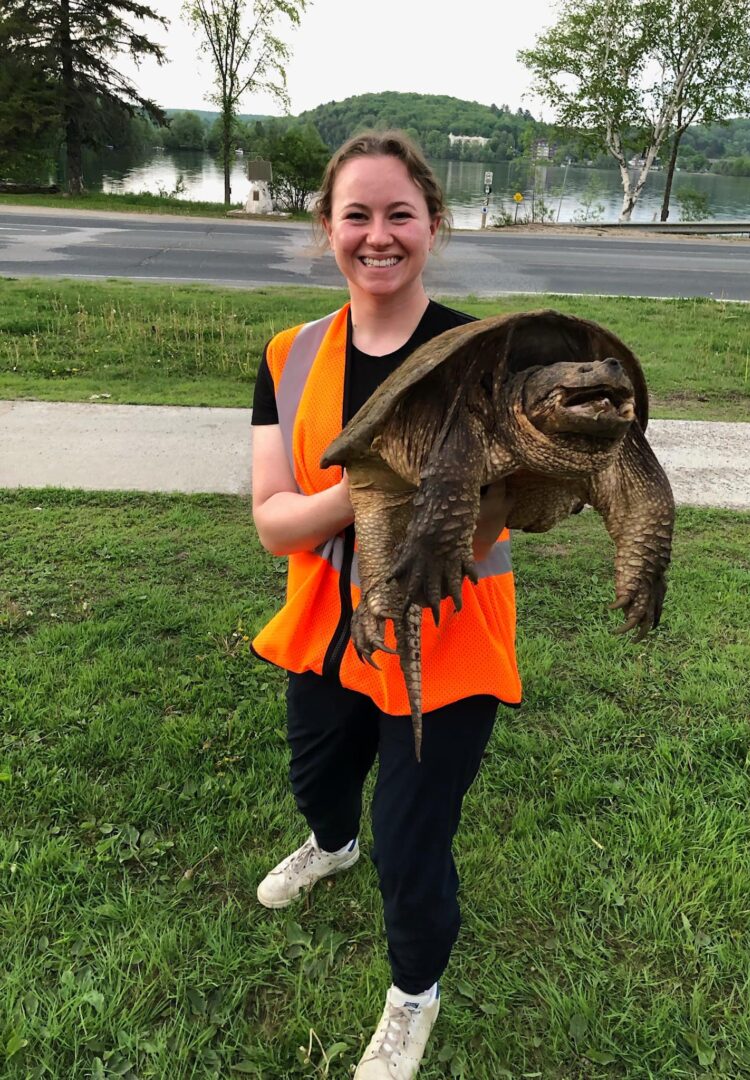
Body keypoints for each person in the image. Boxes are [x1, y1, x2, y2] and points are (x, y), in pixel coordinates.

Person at [249, 131, 521, 1079]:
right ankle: (329, 844)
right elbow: (276, 525)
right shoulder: (289, 355)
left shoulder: (483, 358)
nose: (378, 235)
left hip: (441, 650)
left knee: (414, 854)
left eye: (398, 213)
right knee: (318, 786)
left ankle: (414, 997)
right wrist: (373, 482)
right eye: (356, 214)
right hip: (325, 637)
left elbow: (496, 523)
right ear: (326, 227)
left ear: (432, 225)